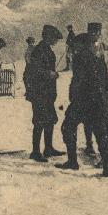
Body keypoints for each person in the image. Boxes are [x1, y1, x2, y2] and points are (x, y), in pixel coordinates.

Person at [56, 33, 108, 176]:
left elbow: (78, 80)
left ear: (82, 45)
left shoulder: (79, 59)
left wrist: (74, 96)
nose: (74, 48)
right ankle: (107, 167)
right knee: (100, 133)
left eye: (76, 45)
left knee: (68, 127)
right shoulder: (99, 60)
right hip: (99, 102)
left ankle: (72, 161)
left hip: (82, 101)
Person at [23, 25, 65, 162]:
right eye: (54, 38)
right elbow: (34, 70)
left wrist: (52, 75)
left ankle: (48, 148)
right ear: (47, 37)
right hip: (39, 92)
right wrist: (50, 74)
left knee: (50, 119)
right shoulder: (39, 50)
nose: (56, 41)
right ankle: (35, 152)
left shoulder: (46, 49)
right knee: (39, 121)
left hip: (47, 93)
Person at [83, 22, 108, 156]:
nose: (94, 34)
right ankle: (89, 144)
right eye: (91, 32)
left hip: (104, 85)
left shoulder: (105, 48)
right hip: (88, 86)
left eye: (96, 32)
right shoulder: (84, 48)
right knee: (88, 115)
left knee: (106, 115)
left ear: (100, 33)